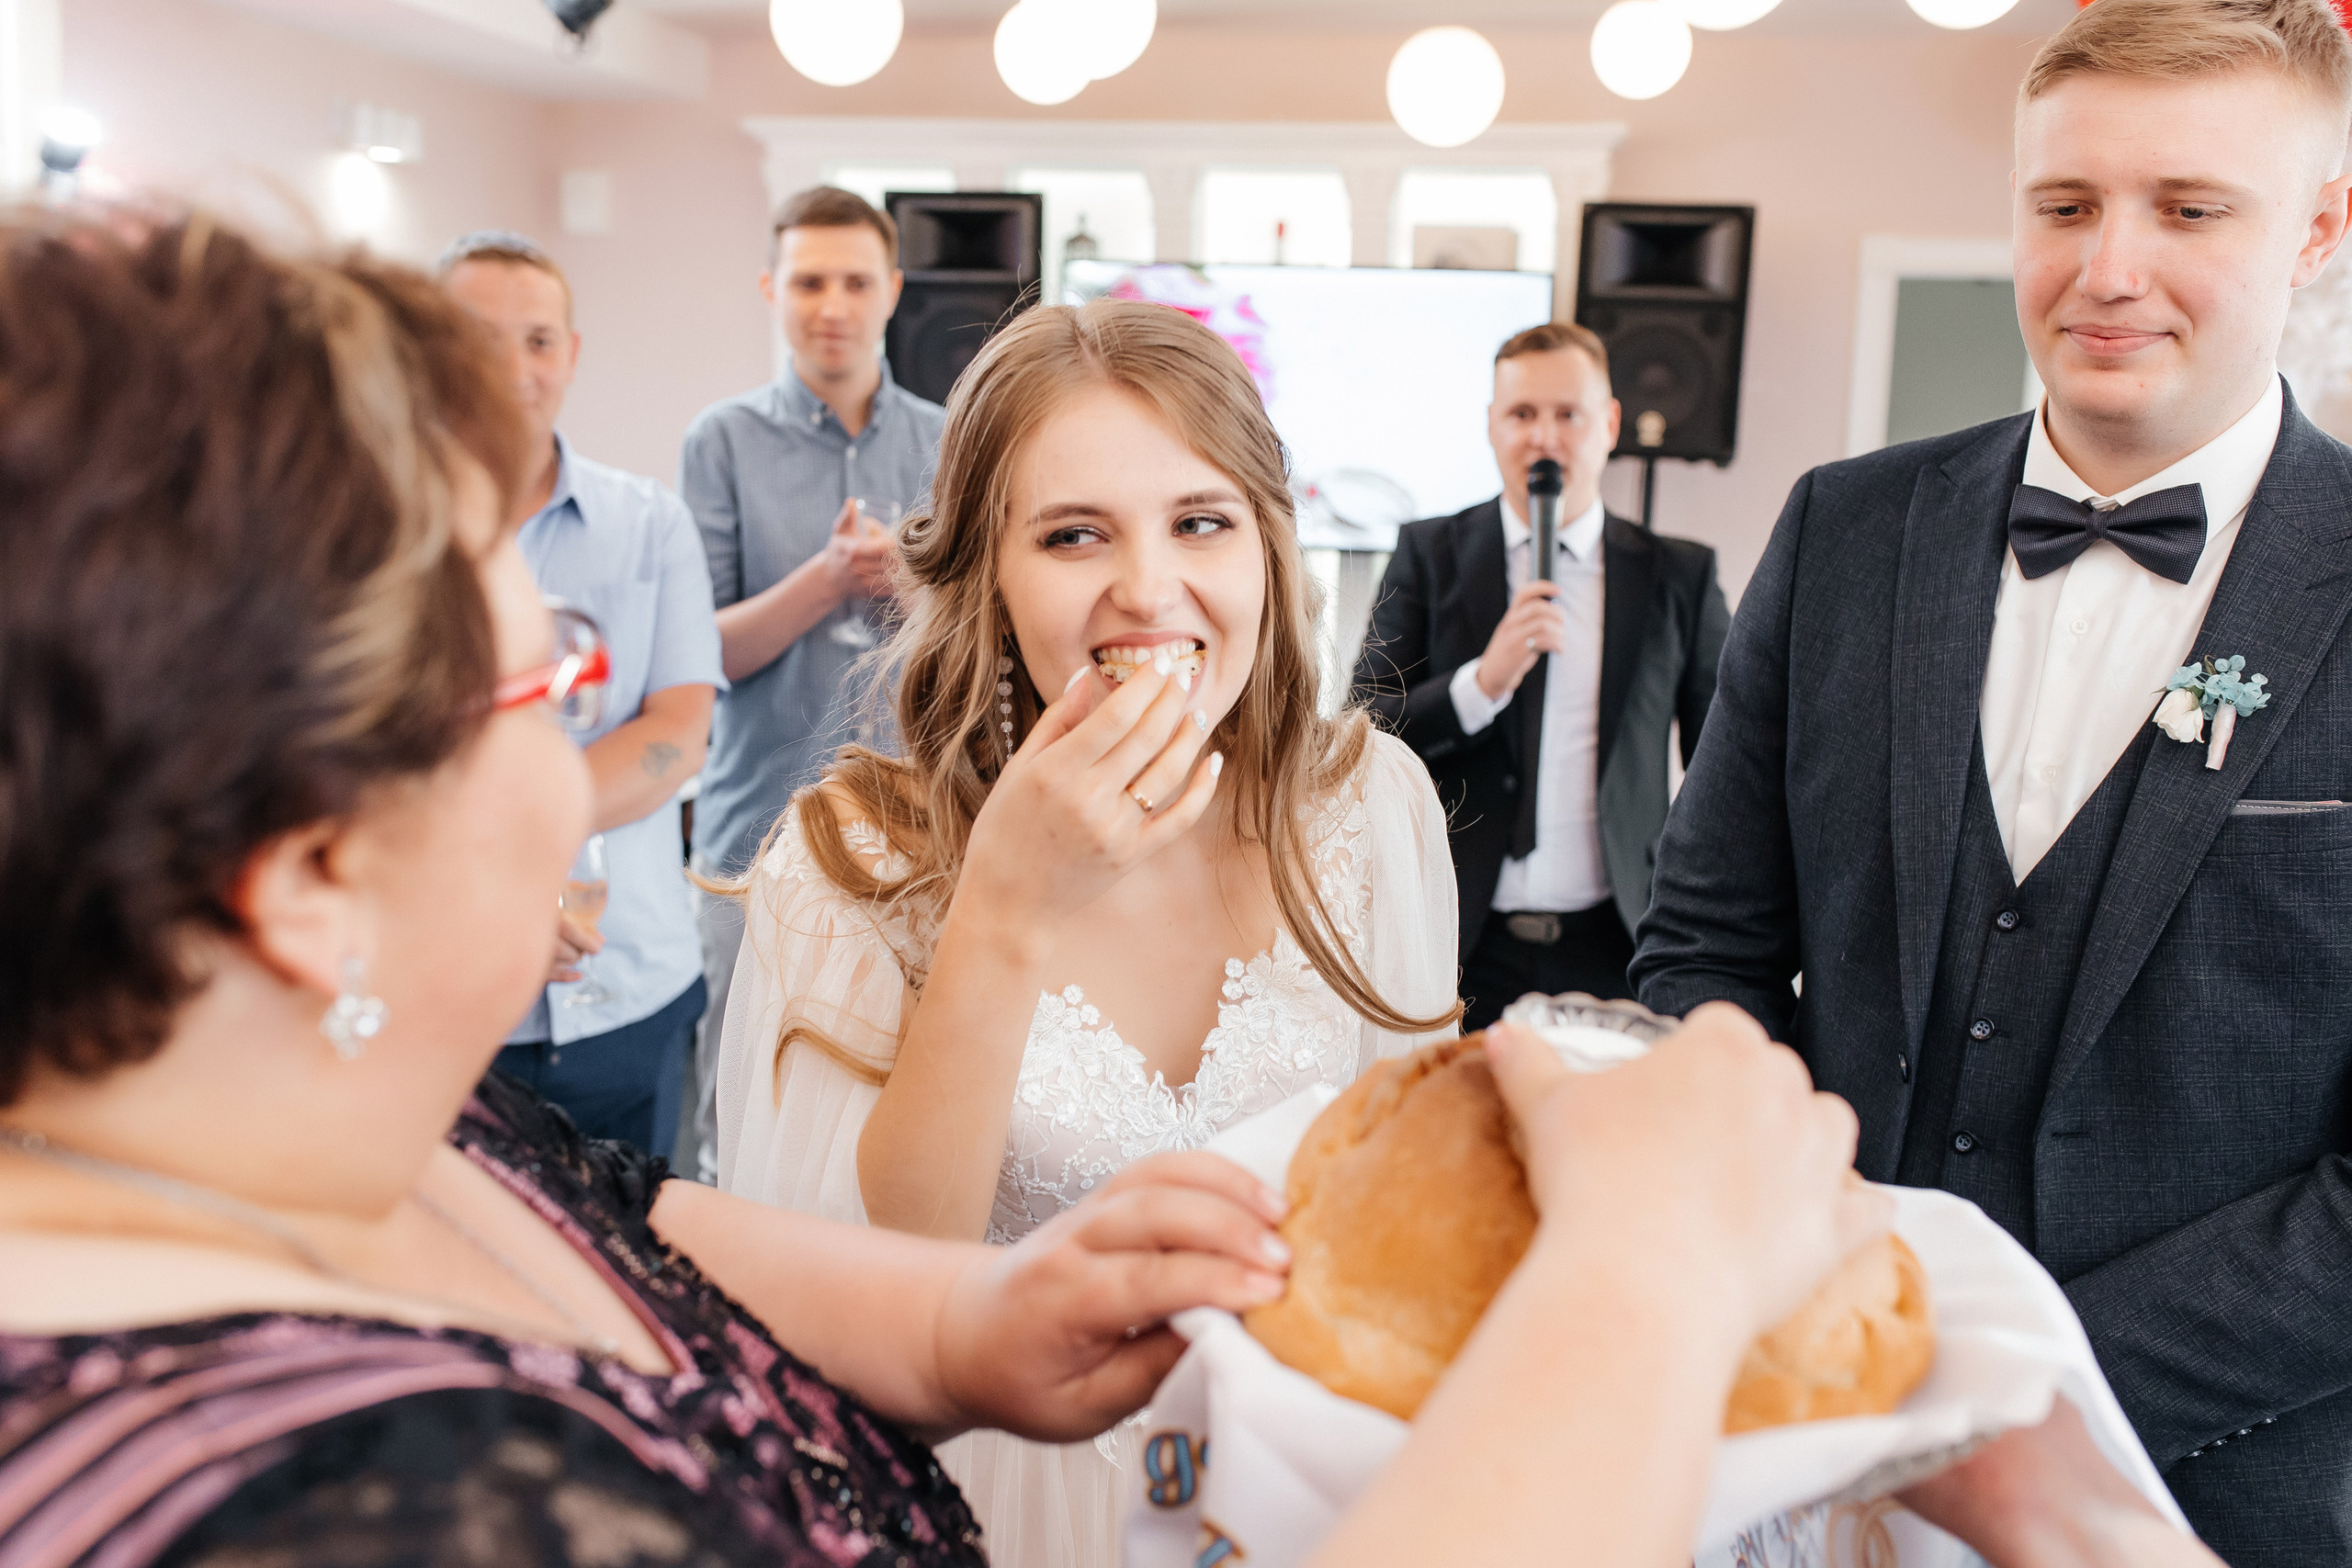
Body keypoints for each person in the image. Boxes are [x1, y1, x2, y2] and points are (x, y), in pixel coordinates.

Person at [0, 209, 2216, 1568]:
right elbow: (850, 1185)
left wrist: (989, 1318)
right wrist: (1651, 1262)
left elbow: (669, 1235)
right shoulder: (304, 1495)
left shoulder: (389, 1118)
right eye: (541, 673)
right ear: (301, 886)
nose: (612, 748)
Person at [1631, 0, 2352, 1558]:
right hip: (1803, 1447)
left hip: (2210, 1490)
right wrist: (1799, 1278)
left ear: (2319, 228)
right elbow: (1703, 953)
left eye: (2190, 208)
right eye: (2066, 203)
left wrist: (2022, 1400)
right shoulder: (1843, 531)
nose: (2109, 268)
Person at [714, 298, 1464, 1567]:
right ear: (988, 576)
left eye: (1202, 522)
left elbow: (1406, 1210)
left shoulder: (1370, 803)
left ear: (1272, 549)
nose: (1148, 591)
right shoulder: (852, 859)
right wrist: (1005, 904)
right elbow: (890, 1282)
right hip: (998, 1506)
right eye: (1073, 534)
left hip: (1297, 1487)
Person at [677, 185, 947, 1180]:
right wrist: (825, 580)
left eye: (853, 281)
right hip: (751, 821)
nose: (830, 303)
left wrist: (909, 588)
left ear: (891, 291)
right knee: (732, 1101)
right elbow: (702, 649)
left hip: (912, 821)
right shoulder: (722, 440)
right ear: (771, 290)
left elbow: (981, 635)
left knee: (890, 1081)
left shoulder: (948, 437)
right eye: (808, 281)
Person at [1352, 321, 1728, 1027]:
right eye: (1522, 414)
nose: (1544, 438)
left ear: (1609, 424)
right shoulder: (1429, 553)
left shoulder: (1679, 573)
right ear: (1492, 426)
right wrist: (1481, 685)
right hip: (1456, 936)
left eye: (1568, 415)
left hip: (1619, 941)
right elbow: (1363, 722)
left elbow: (1725, 760)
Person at [439, 230, 723, 1160]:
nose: (515, 369)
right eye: (480, 338)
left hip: (627, 988)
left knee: (637, 1275)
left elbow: (679, 734)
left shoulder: (648, 526)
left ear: (571, 355)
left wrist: (509, 846)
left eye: (539, 340)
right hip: (437, 996)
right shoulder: (367, 534)